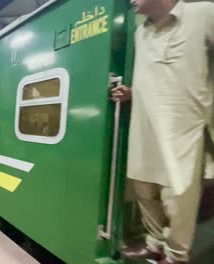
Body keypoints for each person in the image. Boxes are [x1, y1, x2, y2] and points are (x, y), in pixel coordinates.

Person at [111, 1, 214, 263]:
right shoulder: (140, 33)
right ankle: (154, 243)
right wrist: (133, 93)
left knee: (178, 195)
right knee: (142, 186)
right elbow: (156, 75)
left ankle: (176, 256)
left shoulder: (204, 13)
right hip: (144, 122)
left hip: (183, 124)